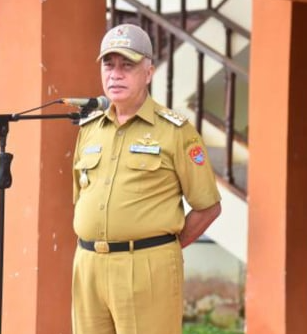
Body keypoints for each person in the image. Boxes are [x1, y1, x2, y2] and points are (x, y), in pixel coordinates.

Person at [71, 23, 222, 334]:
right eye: (108, 65)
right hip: (88, 265)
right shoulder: (89, 129)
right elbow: (80, 198)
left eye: (127, 65)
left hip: (146, 267)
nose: (115, 74)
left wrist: (162, 249)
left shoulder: (175, 131)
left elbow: (208, 206)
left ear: (149, 72)